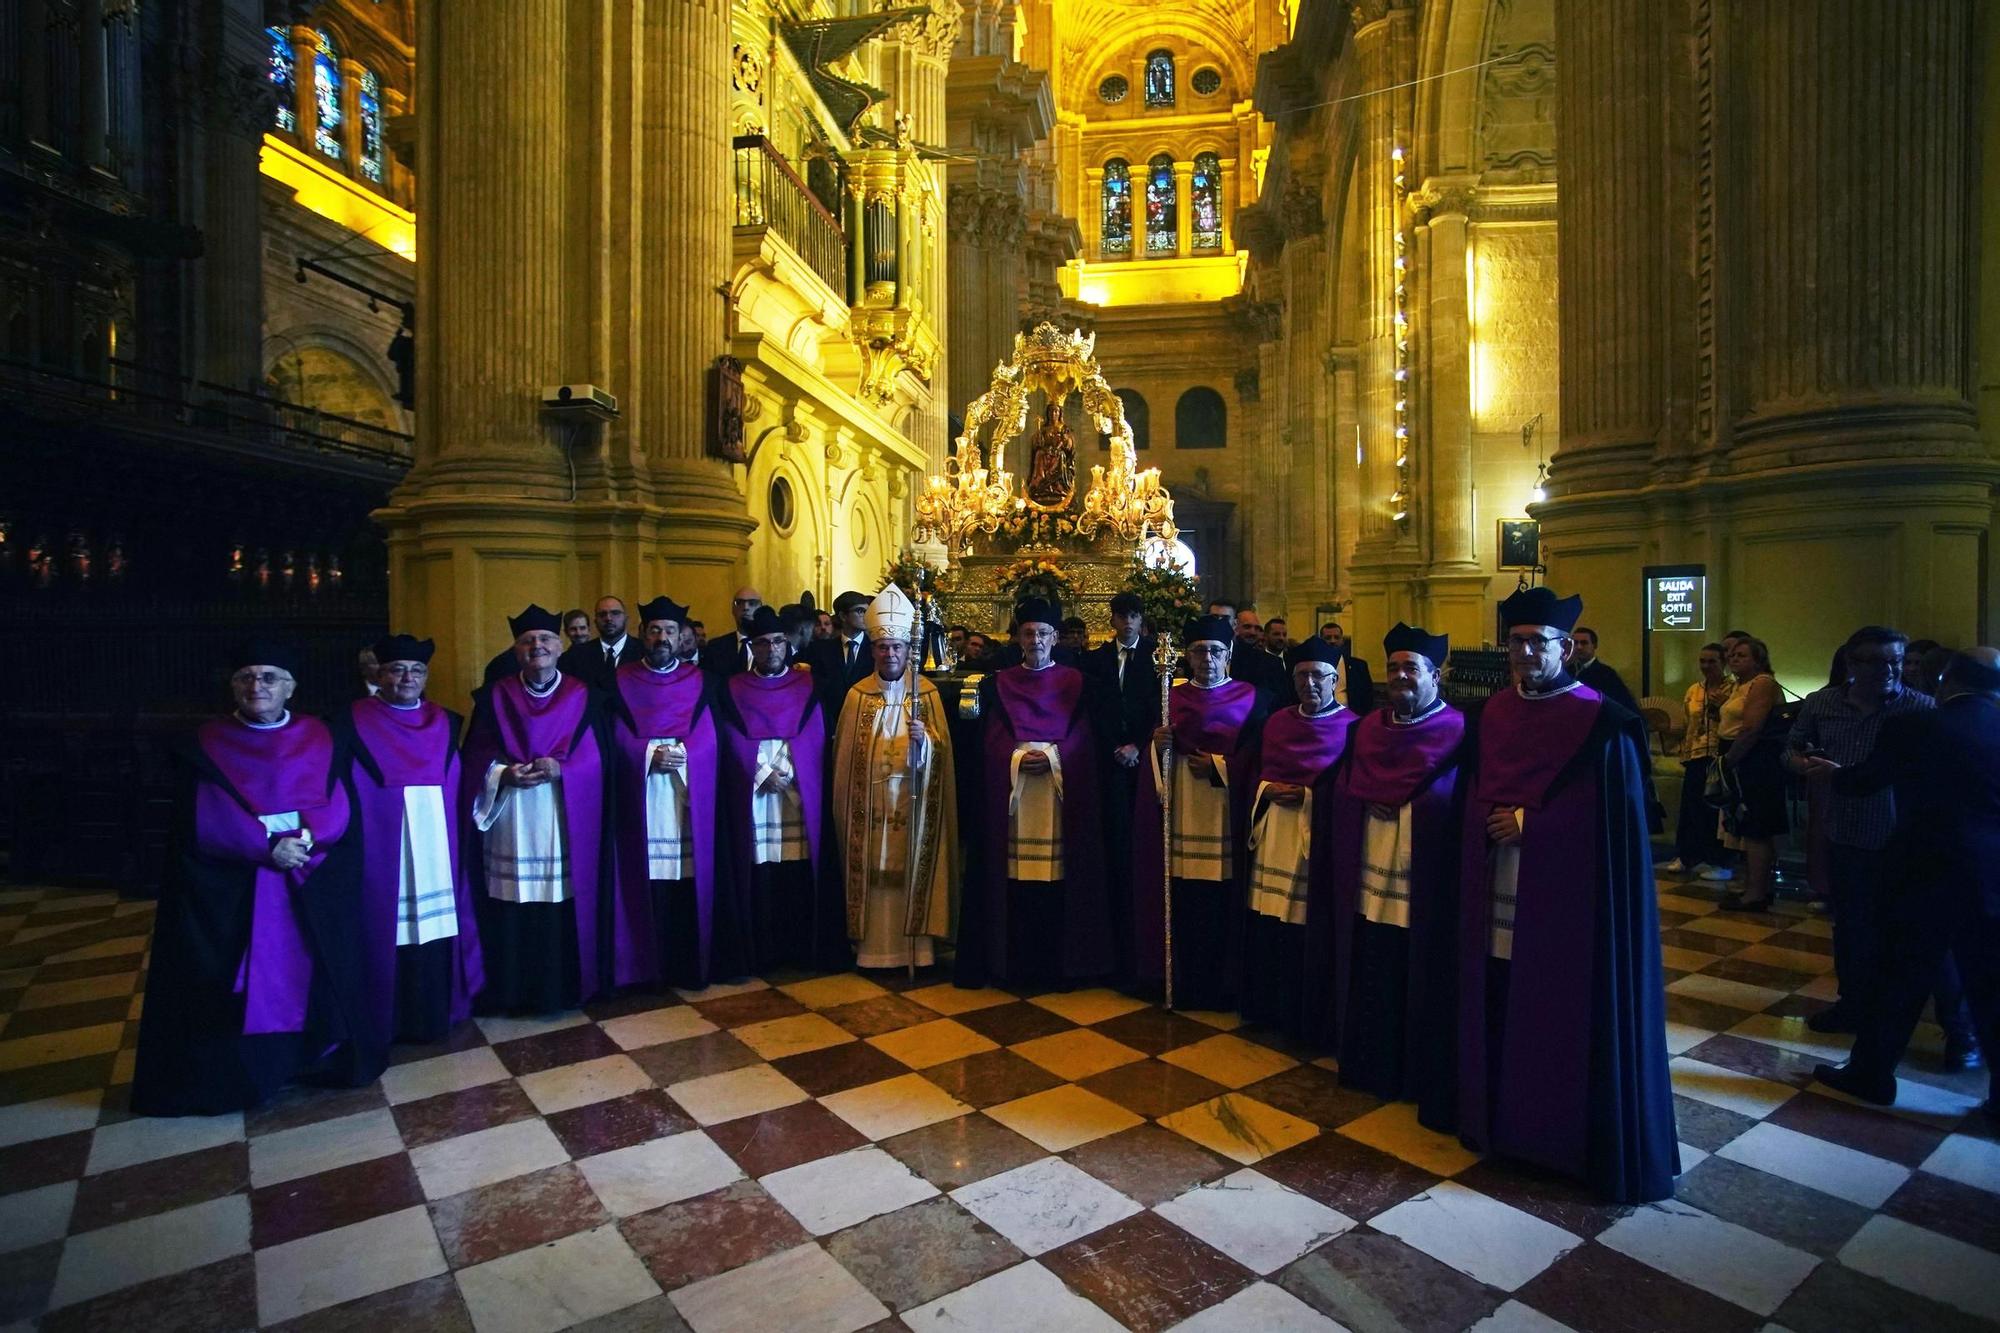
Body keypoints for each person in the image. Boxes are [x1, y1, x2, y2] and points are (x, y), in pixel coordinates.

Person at [1454, 586, 1676, 1203]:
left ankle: (1557, 1139)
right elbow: (1473, 791)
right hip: (1499, 882)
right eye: (1515, 642)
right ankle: (1500, 1123)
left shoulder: (1604, 722)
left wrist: (1529, 826)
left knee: (1558, 1006)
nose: (1525, 653)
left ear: (1566, 648)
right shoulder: (1493, 713)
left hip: (1572, 904)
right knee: (1500, 993)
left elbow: (1617, 825)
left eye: (1537, 643)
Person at [134, 641, 376, 1114]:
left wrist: (308, 838)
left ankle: (313, 1060)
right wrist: (265, 849)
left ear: (290, 687)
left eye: (269, 677)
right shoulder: (206, 742)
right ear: (233, 687)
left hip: (312, 872)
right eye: (246, 677)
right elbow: (202, 818)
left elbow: (340, 800)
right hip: (237, 886)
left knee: (318, 966)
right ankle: (247, 1075)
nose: (256, 686)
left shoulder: (322, 736)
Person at [1811, 649, 2000, 1114]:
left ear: (1946, 678)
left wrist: (1835, 775)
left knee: (1896, 975)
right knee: (1991, 985)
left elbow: (1865, 782)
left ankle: (1871, 1074)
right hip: (1991, 873)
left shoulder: (1918, 725)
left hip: (1922, 869)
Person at [1323, 623, 1463, 1111]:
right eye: (1394, 668)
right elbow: (1343, 784)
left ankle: (1415, 1071)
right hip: (1370, 874)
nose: (1401, 676)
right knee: (1373, 963)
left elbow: (1457, 803)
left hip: (1422, 882)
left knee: (1418, 968)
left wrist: (1404, 803)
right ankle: (1370, 1064)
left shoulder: (1457, 731)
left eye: (1412, 668)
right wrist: (1362, 799)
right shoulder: (1367, 728)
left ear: (1435, 677)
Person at [463, 606, 616, 1012]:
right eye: (528, 641)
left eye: (545, 640)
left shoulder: (584, 697)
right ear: (516, 650)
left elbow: (602, 758)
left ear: (560, 645)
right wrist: (501, 773)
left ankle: (562, 988)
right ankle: (512, 991)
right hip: (510, 815)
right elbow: (474, 756)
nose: (537, 647)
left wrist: (562, 768)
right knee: (511, 903)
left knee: (560, 900)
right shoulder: (495, 696)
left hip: (561, 815)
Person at [1787, 626, 1935, 1033]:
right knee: (1851, 927)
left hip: (1901, 837)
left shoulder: (1920, 708)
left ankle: (1894, 1016)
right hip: (1845, 831)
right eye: (1877, 661)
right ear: (1852, 663)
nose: (1889, 671)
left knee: (1898, 931)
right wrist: (1803, 766)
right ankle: (1852, 1003)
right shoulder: (1822, 704)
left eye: (1896, 662)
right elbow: (1792, 747)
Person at [339, 635, 484, 1045]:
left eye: (416, 671)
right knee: (388, 924)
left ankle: (440, 1008)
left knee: (436, 923)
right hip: (382, 843)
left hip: (437, 839)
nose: (407, 677)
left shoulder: (447, 720)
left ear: (426, 677)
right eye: (397, 670)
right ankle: (386, 1013)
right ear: (379, 675)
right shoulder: (351, 721)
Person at [964, 598, 1113, 989]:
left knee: (1059, 876)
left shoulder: (1077, 683)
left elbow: (1084, 742)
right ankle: (1012, 963)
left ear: (1055, 637)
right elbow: (990, 742)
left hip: (1059, 796)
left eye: (1042, 633)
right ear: (1017, 637)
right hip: (1016, 801)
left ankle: (1061, 966)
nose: (1035, 640)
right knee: (1015, 877)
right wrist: (1014, 759)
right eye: (1028, 633)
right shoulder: (999, 683)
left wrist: (1052, 758)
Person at [1131, 614, 1268, 1009]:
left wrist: (1222, 766)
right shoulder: (1167, 696)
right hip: (1183, 809)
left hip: (1225, 811)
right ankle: (1182, 978)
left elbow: (1258, 760)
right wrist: (1157, 746)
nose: (1206, 659)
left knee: (1221, 897)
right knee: (1184, 894)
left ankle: (1222, 982)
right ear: (1186, 656)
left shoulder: (1253, 698)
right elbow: (1150, 760)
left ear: (1228, 655)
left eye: (1214, 651)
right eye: (1198, 651)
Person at [607, 596, 734, 989]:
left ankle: (685, 962)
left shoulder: (704, 682)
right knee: (640, 875)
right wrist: (646, 754)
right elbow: (609, 734)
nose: (662, 637)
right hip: (639, 793)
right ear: (642, 635)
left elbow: (715, 736)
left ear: (683, 638)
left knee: (686, 875)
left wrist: (683, 754)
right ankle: (640, 968)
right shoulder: (618, 681)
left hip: (683, 795)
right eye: (655, 630)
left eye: (670, 631)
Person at [830, 585, 957, 970]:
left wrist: (926, 743)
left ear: (907, 651)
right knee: (872, 874)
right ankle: (872, 950)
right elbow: (847, 759)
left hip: (913, 804)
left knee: (911, 868)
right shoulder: (857, 696)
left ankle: (916, 949)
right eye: (883, 647)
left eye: (897, 647)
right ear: (873, 651)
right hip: (869, 808)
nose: (890, 654)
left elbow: (943, 759)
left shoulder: (927, 695)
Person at [1237, 636, 1357, 1040]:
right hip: (1274, 834)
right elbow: (1258, 771)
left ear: (1335, 679)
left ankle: (1304, 1015)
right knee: (1269, 920)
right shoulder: (1277, 721)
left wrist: (1307, 795)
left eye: (1319, 676)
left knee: (1306, 925)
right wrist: (1265, 790)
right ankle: (1265, 1007)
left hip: (1314, 843)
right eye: (1302, 676)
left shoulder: (1352, 727)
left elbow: (1347, 788)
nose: (1310, 684)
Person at [718, 606, 845, 971]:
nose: (771, 649)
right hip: (755, 793)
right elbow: (728, 738)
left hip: (796, 794)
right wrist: (760, 773)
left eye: (777, 642)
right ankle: (760, 952)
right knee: (760, 866)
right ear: (752, 648)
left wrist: (791, 771)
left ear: (787, 645)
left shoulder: (809, 685)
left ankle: (801, 948)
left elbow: (817, 734)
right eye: (762, 643)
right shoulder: (732, 689)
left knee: (797, 866)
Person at [1084, 592, 1158, 981]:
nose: (1126, 623)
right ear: (1111, 620)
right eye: (1120, 616)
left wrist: (1139, 746)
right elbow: (1094, 709)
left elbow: (1161, 708)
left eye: (1133, 615)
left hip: (1143, 759)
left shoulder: (1157, 657)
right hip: (1110, 761)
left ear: (1140, 619)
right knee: (1113, 838)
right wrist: (1114, 745)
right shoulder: (1095, 659)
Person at [1707, 637, 1785, 905]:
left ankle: (1757, 893)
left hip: (1754, 759)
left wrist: (1729, 762)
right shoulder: (1739, 685)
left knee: (1756, 827)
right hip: (1740, 755)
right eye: (1732, 654)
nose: (1734, 659)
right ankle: (1752, 885)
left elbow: (1752, 728)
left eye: (1742, 655)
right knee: (1745, 826)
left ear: (1758, 660)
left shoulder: (1762, 683)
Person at [1660, 642, 1733, 877]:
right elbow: (1688, 723)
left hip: (1718, 754)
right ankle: (1687, 855)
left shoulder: (1732, 689)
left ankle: (1717, 859)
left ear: (1723, 663)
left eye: (1712, 661)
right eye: (1703, 661)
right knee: (1690, 807)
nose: (1706, 666)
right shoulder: (1694, 690)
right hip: (1695, 754)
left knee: (1714, 809)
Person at [558, 596, 644, 690]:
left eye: (615, 613)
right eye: (602, 614)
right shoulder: (576, 655)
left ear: (626, 618)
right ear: (595, 621)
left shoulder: (645, 652)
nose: (608, 618)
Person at [812, 589, 873, 719]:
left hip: (866, 720)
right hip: (833, 724)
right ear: (843, 616)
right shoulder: (823, 650)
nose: (866, 616)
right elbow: (820, 693)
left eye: (867, 611)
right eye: (860, 611)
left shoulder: (875, 649)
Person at [1300, 621, 1376, 713]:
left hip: (1351, 716)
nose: (1332, 641)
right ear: (1321, 641)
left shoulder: (1358, 666)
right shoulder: (1313, 666)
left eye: (1336, 637)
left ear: (1342, 640)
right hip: (1321, 716)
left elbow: (1367, 696)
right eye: (1328, 638)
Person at [1570, 627, 1640, 716]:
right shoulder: (1567, 670)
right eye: (1575, 643)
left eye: (1584, 643)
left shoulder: (1606, 674)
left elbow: (1622, 703)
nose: (1579, 647)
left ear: (1594, 646)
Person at [701, 587, 766, 675]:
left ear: (761, 609)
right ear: (733, 609)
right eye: (739, 603)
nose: (745, 607)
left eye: (752, 603)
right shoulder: (715, 647)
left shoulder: (774, 645)